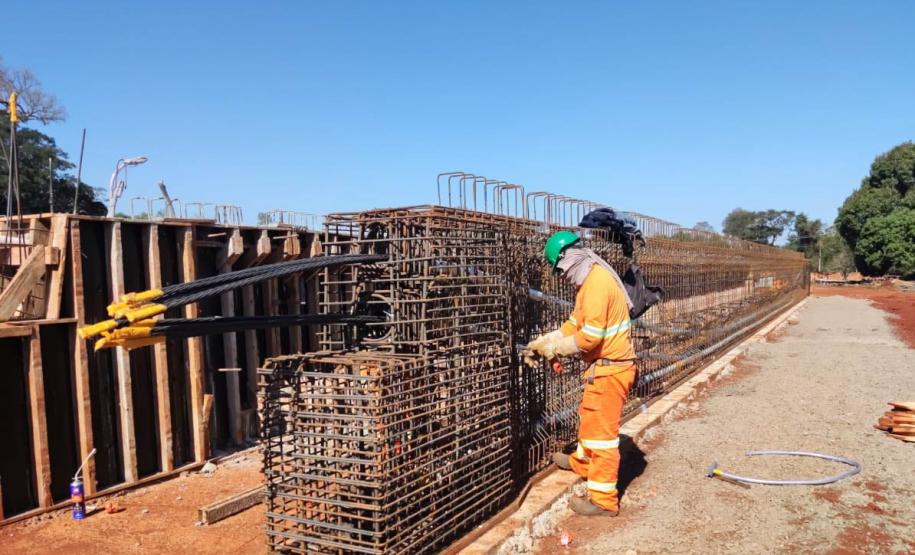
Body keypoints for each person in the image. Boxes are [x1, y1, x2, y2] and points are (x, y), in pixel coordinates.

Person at [526, 230, 636, 517]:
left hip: (611, 370)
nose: (561, 277)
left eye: (560, 270)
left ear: (569, 257)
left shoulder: (597, 283)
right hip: (602, 369)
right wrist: (546, 341)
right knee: (589, 419)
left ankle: (603, 501)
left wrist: (558, 349)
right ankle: (583, 464)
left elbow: (590, 337)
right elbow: (575, 322)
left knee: (602, 437)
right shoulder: (588, 284)